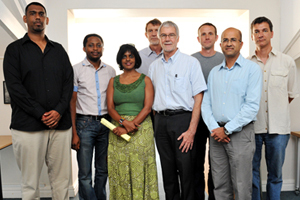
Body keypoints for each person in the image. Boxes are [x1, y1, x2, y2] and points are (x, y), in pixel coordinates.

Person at [3, 2, 73, 200]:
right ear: (25, 19)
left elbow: (68, 83)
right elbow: (15, 88)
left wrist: (59, 110)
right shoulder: (14, 50)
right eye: (32, 14)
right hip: (28, 127)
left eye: (41, 14)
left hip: (60, 126)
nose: (37, 17)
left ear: (46, 19)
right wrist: (40, 113)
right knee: (30, 184)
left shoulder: (58, 50)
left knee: (61, 182)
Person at [201, 27, 262, 200]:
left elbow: (251, 107)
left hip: (241, 134)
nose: (229, 43)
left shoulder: (252, 70)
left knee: (242, 187)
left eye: (233, 40)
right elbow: (206, 105)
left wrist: (226, 130)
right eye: (226, 40)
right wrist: (215, 129)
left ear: (241, 44)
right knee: (219, 185)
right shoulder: (214, 73)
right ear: (220, 44)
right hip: (216, 136)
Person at [148, 21, 207, 200]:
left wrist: (191, 130)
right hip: (160, 122)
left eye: (171, 35)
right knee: (167, 170)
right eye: (164, 35)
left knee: (187, 170)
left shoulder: (190, 63)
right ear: (159, 38)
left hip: (183, 121)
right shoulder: (153, 67)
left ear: (178, 38)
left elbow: (199, 98)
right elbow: (151, 99)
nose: (167, 39)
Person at [248, 16, 299, 200]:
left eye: (264, 30)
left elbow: (290, 94)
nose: (260, 34)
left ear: (271, 33)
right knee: (252, 173)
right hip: (252, 127)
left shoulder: (287, 62)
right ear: (252, 35)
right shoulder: (246, 64)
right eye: (256, 31)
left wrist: (276, 108)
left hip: (279, 129)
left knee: (275, 174)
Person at [106, 44, 159, 200]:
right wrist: (123, 122)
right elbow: (110, 108)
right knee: (119, 168)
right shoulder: (113, 81)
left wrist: (130, 126)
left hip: (141, 128)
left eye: (131, 56)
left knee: (140, 167)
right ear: (120, 59)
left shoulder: (146, 80)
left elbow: (148, 107)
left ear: (136, 59)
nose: (127, 59)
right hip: (118, 129)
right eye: (124, 56)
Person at [70, 34, 116, 200]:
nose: (95, 48)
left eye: (98, 45)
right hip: (84, 124)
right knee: (84, 173)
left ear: (102, 48)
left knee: (103, 170)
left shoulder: (111, 71)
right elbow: (72, 101)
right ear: (84, 48)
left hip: (106, 123)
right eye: (91, 45)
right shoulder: (76, 69)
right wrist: (74, 132)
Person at [191, 22, 224, 200]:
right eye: (203, 34)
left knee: (215, 162)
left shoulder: (224, 59)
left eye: (210, 33)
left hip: (217, 119)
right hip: (196, 118)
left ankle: (213, 197)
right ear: (198, 38)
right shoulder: (191, 60)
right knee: (196, 162)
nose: (207, 37)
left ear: (216, 37)